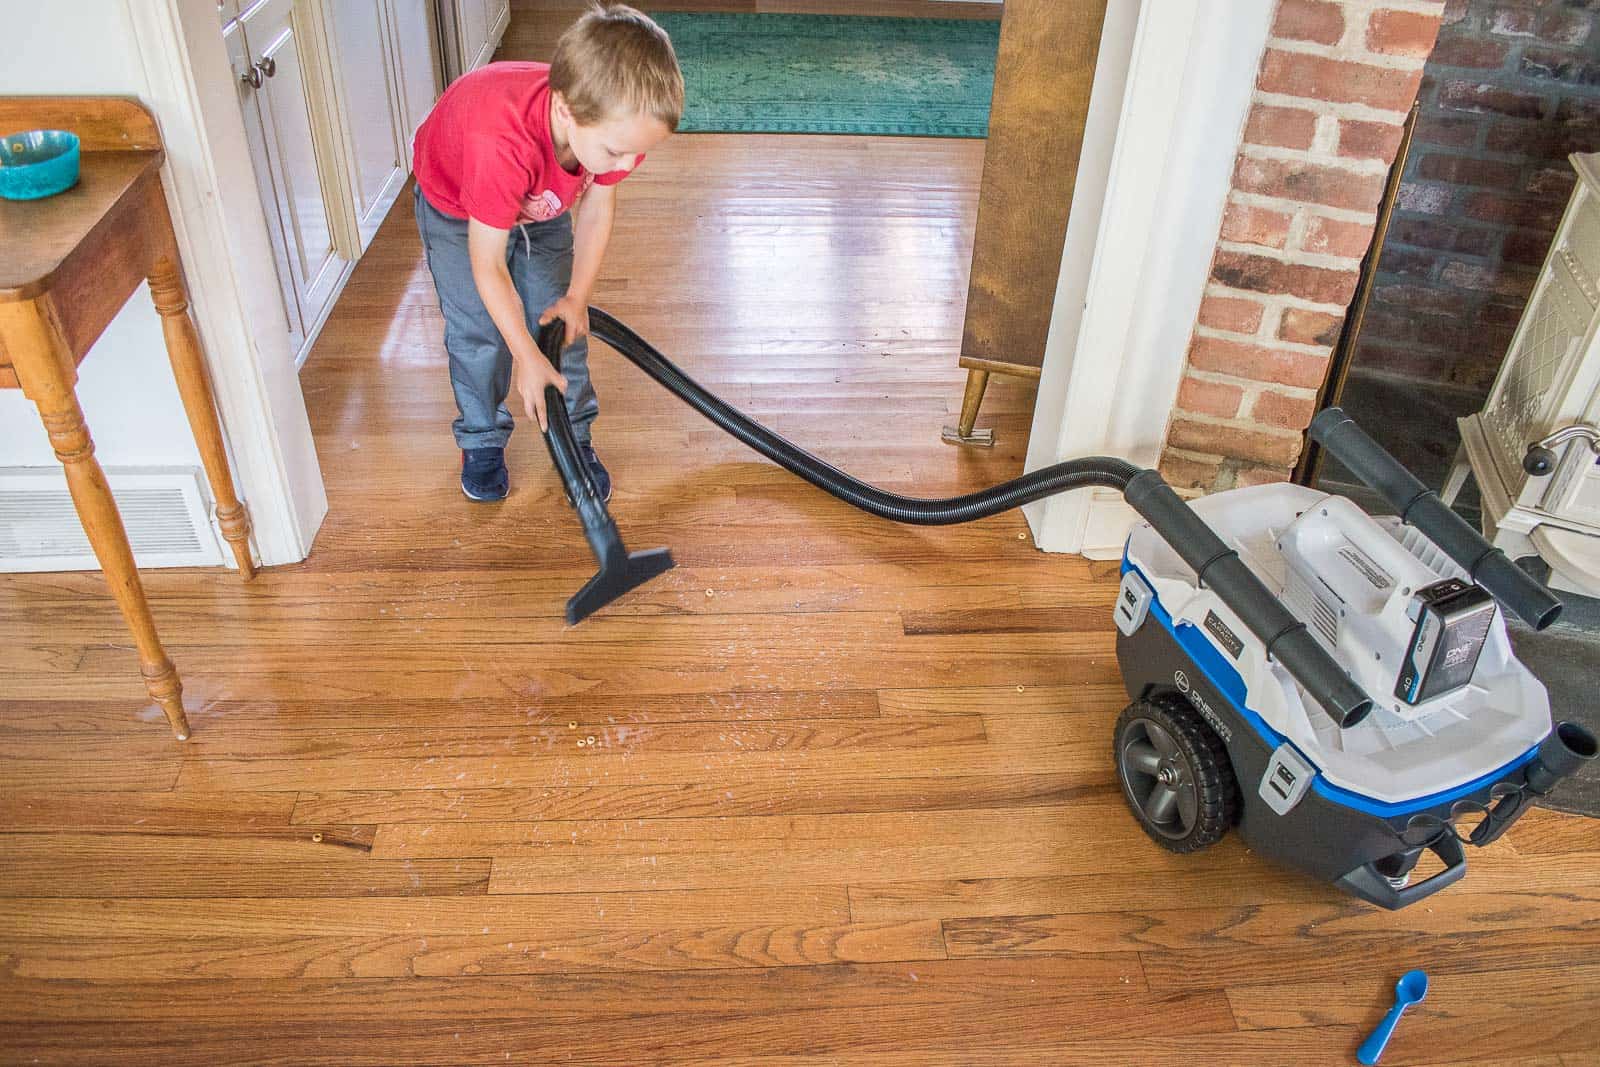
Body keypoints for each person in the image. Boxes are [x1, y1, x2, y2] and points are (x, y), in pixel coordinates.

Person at [411, 2, 683, 502]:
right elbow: (487, 264)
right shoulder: (500, 142)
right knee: (478, 331)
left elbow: (598, 208)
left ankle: (573, 436)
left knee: (561, 326)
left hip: (541, 200)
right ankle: (482, 437)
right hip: (456, 204)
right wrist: (524, 355)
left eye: (634, 153)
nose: (624, 163)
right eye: (617, 151)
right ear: (564, 110)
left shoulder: (609, 131)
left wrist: (577, 296)